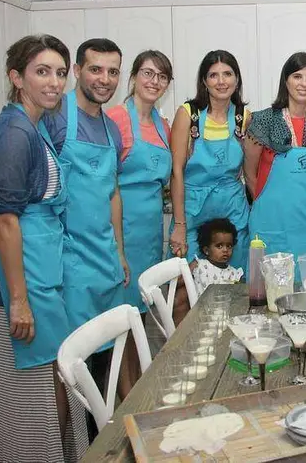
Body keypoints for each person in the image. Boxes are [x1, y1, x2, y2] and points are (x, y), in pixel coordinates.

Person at [0, 34, 88, 462]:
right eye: (42, 72)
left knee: (51, 380)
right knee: (32, 392)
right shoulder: (16, 132)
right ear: (16, 77)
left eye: (59, 72)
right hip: (20, 279)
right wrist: (18, 301)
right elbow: (3, 218)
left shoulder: (33, 125)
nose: (54, 82)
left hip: (39, 270)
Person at [44, 38, 127, 438]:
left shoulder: (112, 128)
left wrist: (121, 252)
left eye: (113, 71)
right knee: (74, 365)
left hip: (105, 257)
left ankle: (102, 441)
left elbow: (112, 193)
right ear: (77, 70)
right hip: (71, 259)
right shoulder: (57, 119)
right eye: (96, 69)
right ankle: (76, 444)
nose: (105, 79)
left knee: (105, 362)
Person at [105, 50, 173, 397]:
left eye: (161, 77)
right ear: (133, 76)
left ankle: (136, 392)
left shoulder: (163, 124)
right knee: (122, 324)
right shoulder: (115, 119)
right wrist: (116, 247)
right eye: (148, 73)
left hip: (150, 233)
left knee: (141, 317)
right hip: (122, 231)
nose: (154, 82)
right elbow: (106, 183)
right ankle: (124, 398)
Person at [244, 52, 306, 276]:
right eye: (297, 76)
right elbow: (249, 174)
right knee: (270, 297)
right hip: (271, 227)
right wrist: (267, 204)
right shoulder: (262, 121)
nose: (304, 84)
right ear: (285, 81)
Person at [169, 50, 250, 272]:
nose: (221, 81)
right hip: (193, 214)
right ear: (204, 81)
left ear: (237, 79)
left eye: (228, 74)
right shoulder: (188, 114)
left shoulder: (243, 117)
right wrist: (179, 225)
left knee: (235, 284)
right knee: (187, 287)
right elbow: (176, 172)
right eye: (214, 75)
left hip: (233, 214)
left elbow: (250, 173)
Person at [191, 218, 244, 293]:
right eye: (219, 246)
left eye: (229, 246)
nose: (225, 250)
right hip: (201, 304)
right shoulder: (198, 265)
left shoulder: (235, 274)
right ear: (206, 250)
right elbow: (179, 281)